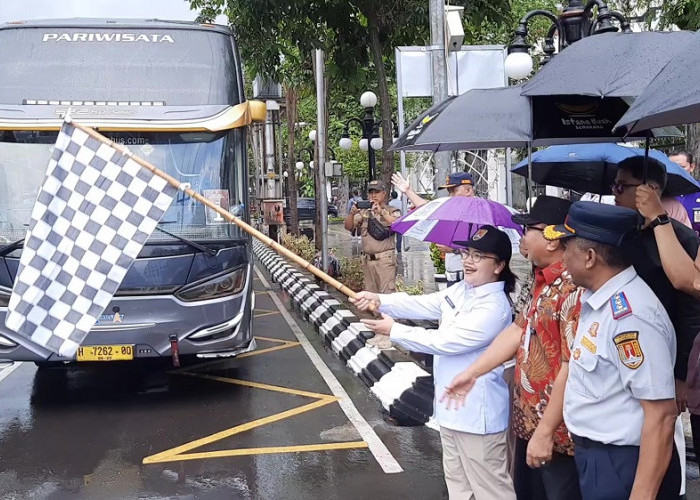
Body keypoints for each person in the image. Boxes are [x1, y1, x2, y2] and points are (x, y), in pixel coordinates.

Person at [351, 226, 517, 499]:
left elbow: (446, 341)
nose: (467, 261)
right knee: (459, 488)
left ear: (499, 265)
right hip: (450, 411)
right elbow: (422, 304)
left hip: (478, 416)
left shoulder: (495, 308)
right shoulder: (463, 290)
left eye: (478, 256)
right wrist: (379, 299)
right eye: (467, 253)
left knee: (491, 491)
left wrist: (395, 331)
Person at [441, 196, 583, 500]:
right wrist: (473, 372)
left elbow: (572, 366)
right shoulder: (539, 279)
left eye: (529, 229)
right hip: (528, 422)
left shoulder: (574, 287)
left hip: (558, 431)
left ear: (554, 237)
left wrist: (546, 431)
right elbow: (518, 328)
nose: (522, 237)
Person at [542, 201, 680, 499]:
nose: (562, 257)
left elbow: (661, 415)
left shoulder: (631, 315)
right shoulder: (600, 300)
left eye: (567, 247)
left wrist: (641, 494)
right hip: (598, 457)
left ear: (590, 257)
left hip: (623, 463)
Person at [344, 180, 400, 350]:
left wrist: (381, 211)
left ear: (384, 193)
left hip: (384, 260)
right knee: (372, 296)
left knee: (386, 295)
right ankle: (379, 331)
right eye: (371, 192)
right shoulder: (364, 213)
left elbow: (396, 225)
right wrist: (352, 214)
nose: (373, 195)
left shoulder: (391, 210)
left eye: (377, 192)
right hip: (368, 260)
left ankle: (389, 333)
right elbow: (348, 227)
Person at [393, 171, 476, 286]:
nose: (450, 196)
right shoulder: (454, 210)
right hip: (453, 278)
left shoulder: (479, 213)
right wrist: (408, 190)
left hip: (471, 279)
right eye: (449, 192)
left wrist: (454, 249)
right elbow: (428, 209)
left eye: (454, 191)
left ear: (468, 191)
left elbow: (484, 248)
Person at [669, 150, 700, 236]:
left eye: (682, 167)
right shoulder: (661, 192)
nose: (676, 170)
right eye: (671, 166)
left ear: (692, 167)